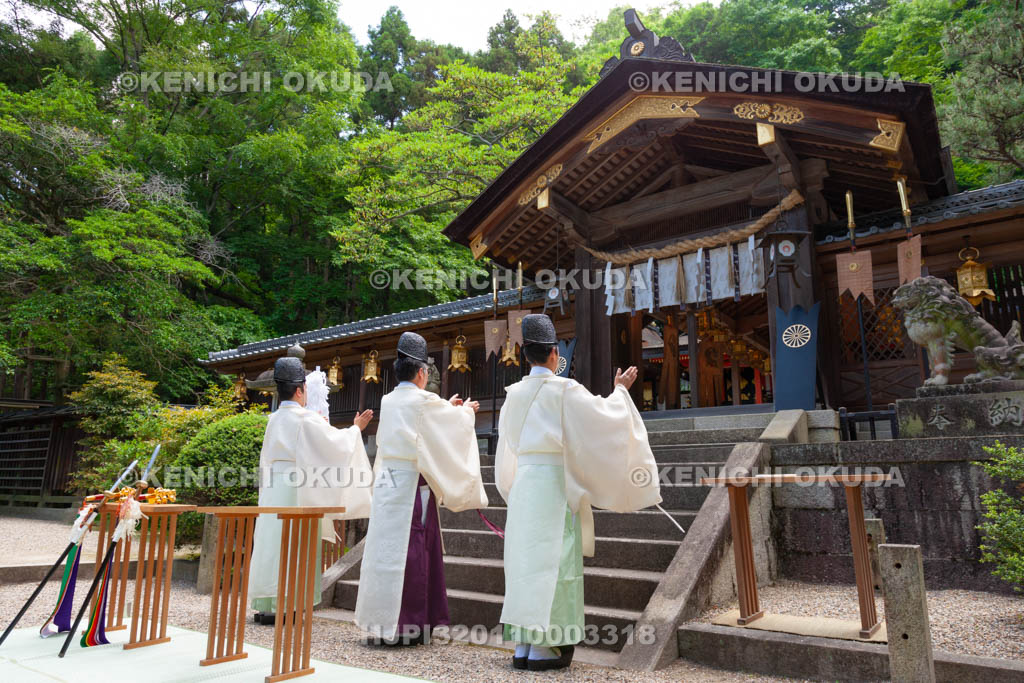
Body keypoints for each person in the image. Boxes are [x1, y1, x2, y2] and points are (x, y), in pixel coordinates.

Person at [496, 313, 661, 671]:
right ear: (554, 353)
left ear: (527, 354)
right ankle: (547, 648)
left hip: (525, 485)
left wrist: (513, 485)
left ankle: (524, 644)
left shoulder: (513, 396)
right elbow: (602, 420)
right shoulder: (564, 390)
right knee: (555, 562)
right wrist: (620, 392)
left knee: (525, 564)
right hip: (554, 484)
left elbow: (507, 448)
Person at [355, 331, 488, 645]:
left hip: (389, 484)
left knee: (389, 552)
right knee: (413, 551)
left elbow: (425, 421)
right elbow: (444, 425)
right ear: (421, 372)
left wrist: (449, 408)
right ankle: (409, 625)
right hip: (414, 486)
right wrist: (466, 411)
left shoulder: (389, 399)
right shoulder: (424, 400)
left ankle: (383, 622)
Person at [249, 355, 374, 621]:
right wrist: (355, 429)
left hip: (274, 488)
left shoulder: (274, 419)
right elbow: (335, 445)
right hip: (297, 490)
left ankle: (268, 605)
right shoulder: (305, 419)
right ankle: (288, 605)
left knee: (272, 544)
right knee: (295, 544)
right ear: (299, 389)